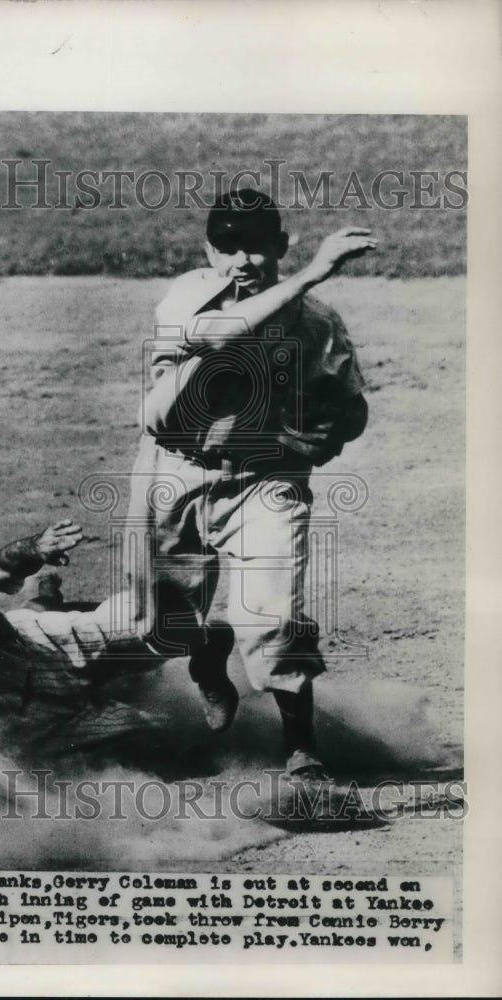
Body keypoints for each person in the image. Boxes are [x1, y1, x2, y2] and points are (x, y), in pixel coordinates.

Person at [125, 188, 375, 782]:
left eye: (256, 247)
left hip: (263, 484)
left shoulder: (316, 324)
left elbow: (351, 411)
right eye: (227, 247)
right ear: (208, 251)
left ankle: (302, 750)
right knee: (156, 625)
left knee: (272, 619)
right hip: (172, 472)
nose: (241, 261)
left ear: (278, 247)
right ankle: (207, 659)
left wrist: (310, 441)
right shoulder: (189, 294)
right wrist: (316, 272)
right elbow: (220, 336)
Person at [0, 519, 225, 803]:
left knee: (164, 624)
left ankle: (43, 604)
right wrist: (57, 814)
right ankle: (43, 601)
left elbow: (4, 562)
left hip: (33, 644)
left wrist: (36, 547)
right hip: (27, 723)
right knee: (163, 746)